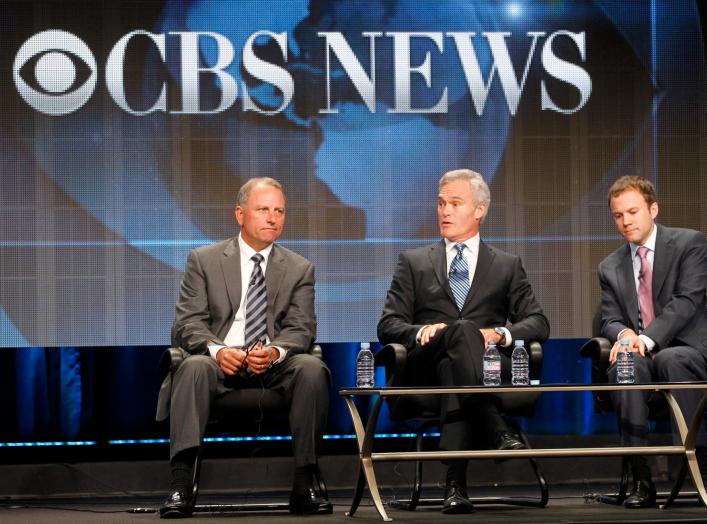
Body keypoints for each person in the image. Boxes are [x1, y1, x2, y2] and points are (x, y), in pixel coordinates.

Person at [155, 177, 332, 518]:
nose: (272, 218)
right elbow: (187, 324)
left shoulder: (299, 268)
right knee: (192, 366)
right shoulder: (203, 260)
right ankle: (180, 484)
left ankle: (306, 481)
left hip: (274, 368)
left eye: (279, 211)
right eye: (263, 209)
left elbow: (301, 329)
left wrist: (276, 352)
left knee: (311, 368)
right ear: (240, 214)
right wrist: (218, 351)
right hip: (218, 366)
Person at [377, 169, 550, 514]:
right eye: (441, 204)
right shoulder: (413, 262)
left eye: (455, 203)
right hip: (423, 365)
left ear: (480, 209)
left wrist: (500, 334)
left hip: (479, 368)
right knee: (455, 332)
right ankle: (496, 428)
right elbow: (388, 324)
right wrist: (417, 332)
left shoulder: (505, 265)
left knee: (457, 356)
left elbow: (538, 322)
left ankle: (455, 485)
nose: (445, 211)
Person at [598, 175, 707, 508]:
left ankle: (694, 466)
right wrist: (626, 335)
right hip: (643, 353)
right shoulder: (610, 267)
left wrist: (645, 338)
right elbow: (609, 318)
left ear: (653, 209)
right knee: (625, 368)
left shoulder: (689, 244)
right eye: (619, 215)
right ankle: (640, 477)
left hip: (689, 350)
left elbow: (686, 302)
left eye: (633, 211)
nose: (626, 221)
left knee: (670, 358)